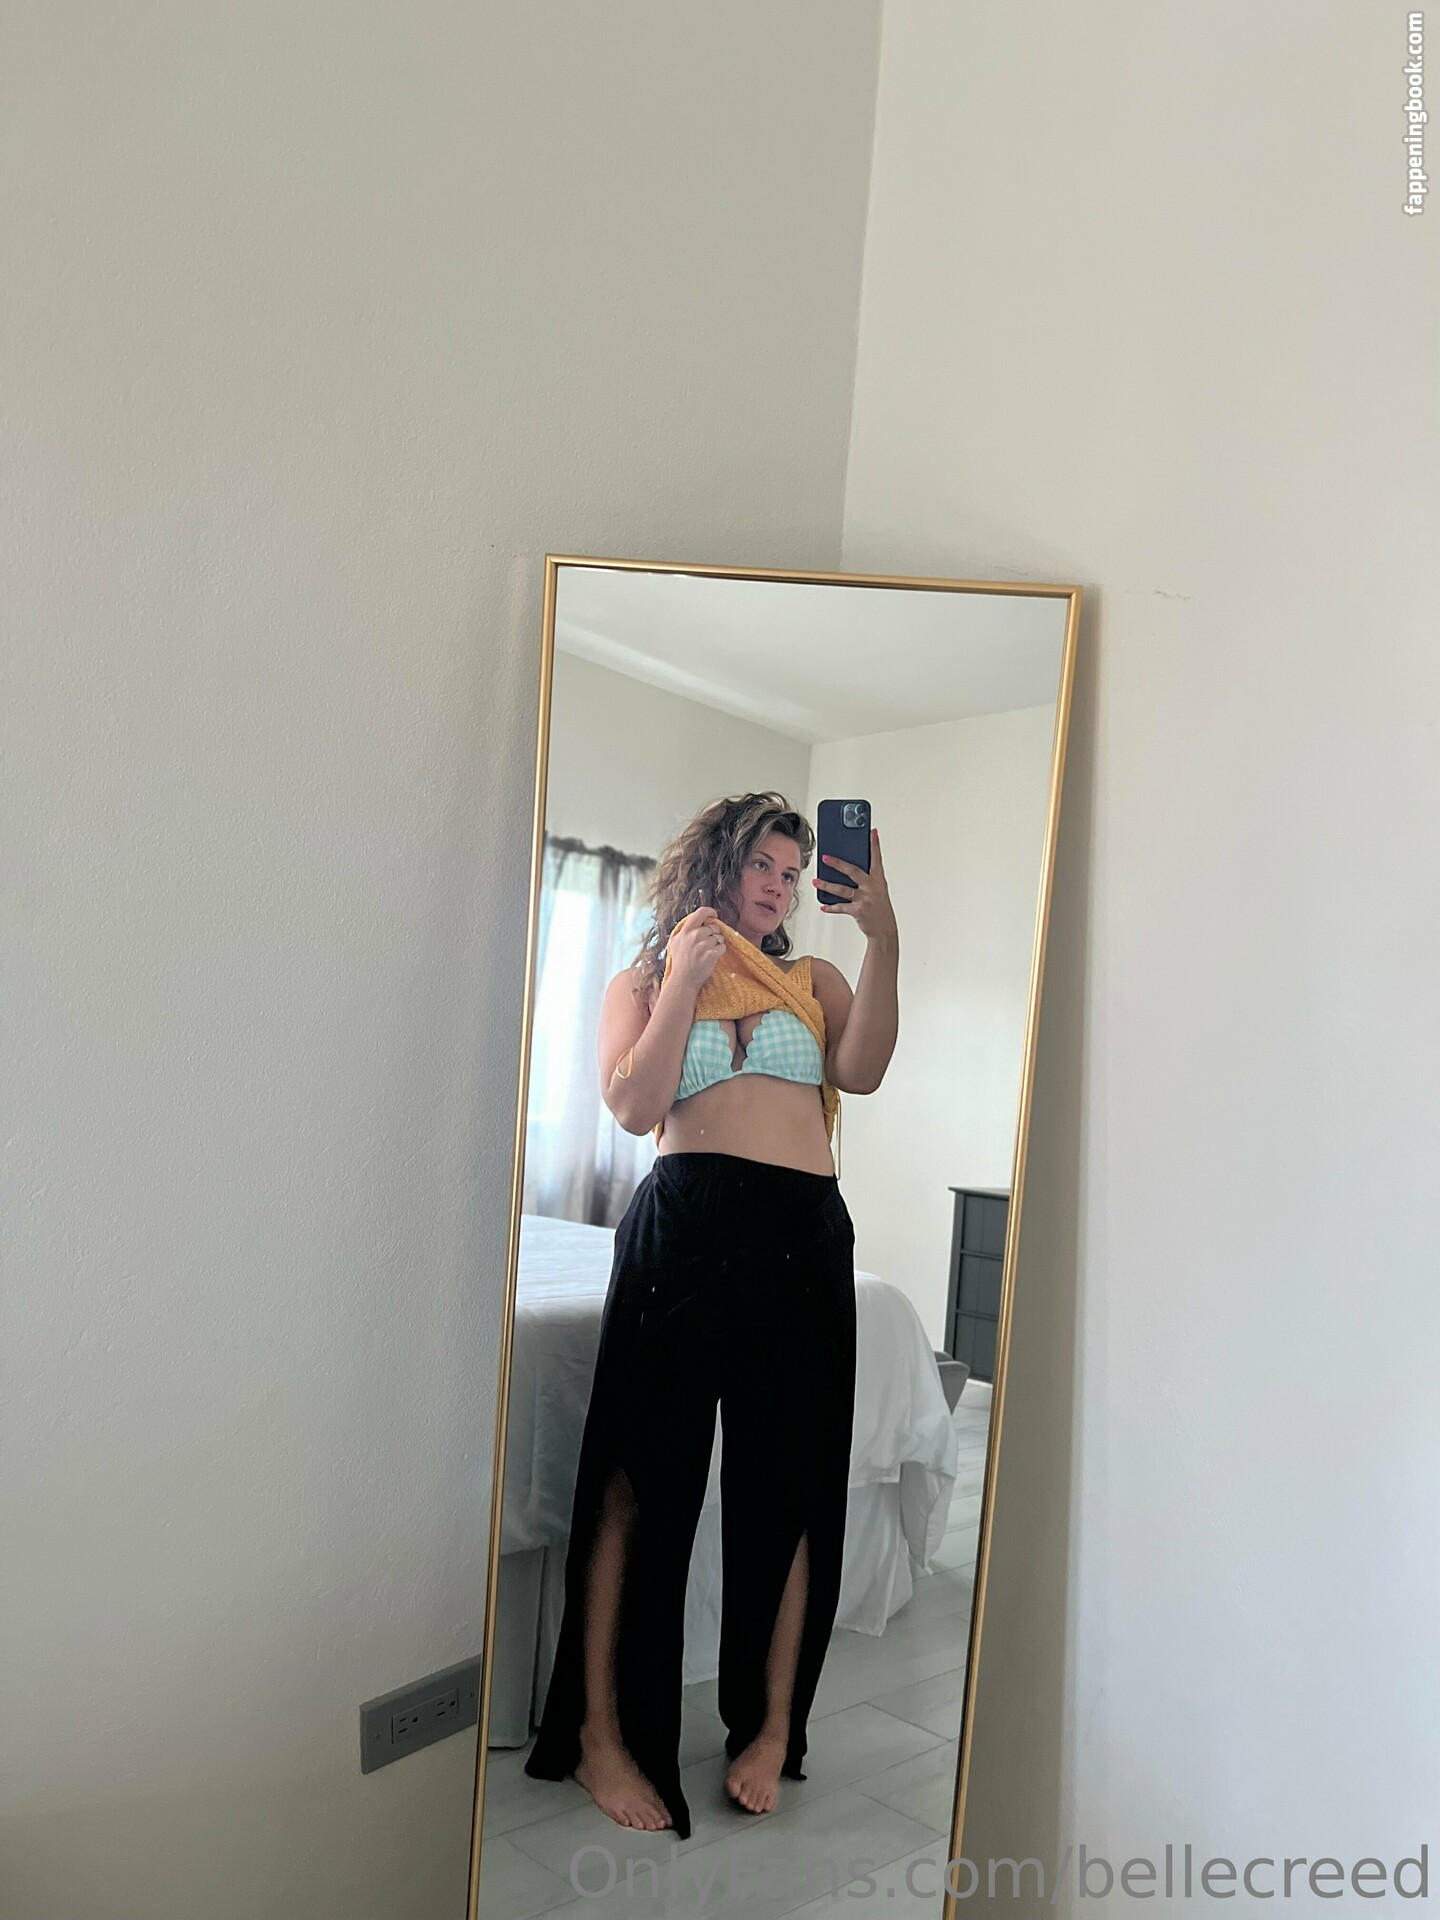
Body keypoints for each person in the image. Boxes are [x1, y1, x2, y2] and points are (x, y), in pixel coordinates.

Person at [523, 791, 899, 1838]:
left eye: (792, 874)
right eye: (762, 866)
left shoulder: (816, 980)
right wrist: (685, 980)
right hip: (681, 1230)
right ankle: (603, 1736)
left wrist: (883, 938)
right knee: (635, 1482)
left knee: (794, 1483)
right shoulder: (643, 982)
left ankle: (772, 1727)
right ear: (715, 865)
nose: (778, 887)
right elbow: (634, 1107)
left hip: (801, 1241)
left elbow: (862, 1072)